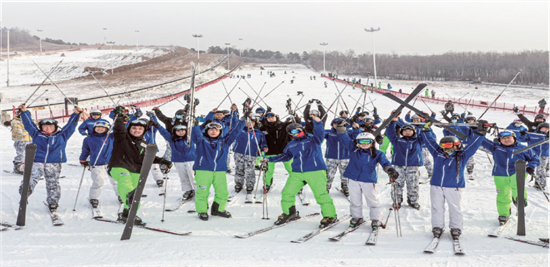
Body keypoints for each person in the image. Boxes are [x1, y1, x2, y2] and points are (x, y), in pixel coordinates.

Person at [263, 116, 338, 228]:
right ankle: (290, 213)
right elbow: (285, 156)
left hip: (315, 171)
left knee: (321, 194)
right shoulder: (291, 144)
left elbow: (319, 132)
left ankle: (330, 215)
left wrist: (317, 122)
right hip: (297, 172)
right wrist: (269, 159)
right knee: (287, 193)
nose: (295, 134)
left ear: (302, 129)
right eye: (292, 132)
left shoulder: (313, 140)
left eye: (297, 131)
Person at [420, 119, 487, 241]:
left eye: (449, 145)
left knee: (454, 207)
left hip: (454, 186)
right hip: (436, 185)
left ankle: (456, 227)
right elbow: (429, 142)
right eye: (443, 146)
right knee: (436, 207)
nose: (446, 148)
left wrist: (480, 133)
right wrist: (426, 130)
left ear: (456, 145)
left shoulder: (462, 155)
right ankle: (437, 227)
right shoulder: (437, 153)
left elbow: (473, 145)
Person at [108, 106, 173, 224]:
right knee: (125, 181)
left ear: (144, 131)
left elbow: (147, 158)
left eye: (139, 129)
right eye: (134, 128)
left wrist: (163, 161)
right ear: (129, 129)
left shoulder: (144, 144)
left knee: (136, 195)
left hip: (136, 170)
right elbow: (119, 129)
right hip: (119, 166)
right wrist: (119, 118)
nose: (136, 130)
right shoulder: (122, 137)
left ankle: (127, 214)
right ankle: (128, 197)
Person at [18, 104, 82, 212]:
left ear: (55, 127)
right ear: (41, 127)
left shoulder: (62, 135)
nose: (48, 128)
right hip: (38, 160)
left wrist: (76, 114)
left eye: (51, 126)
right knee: (34, 175)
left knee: (53, 182)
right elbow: (29, 124)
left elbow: (71, 126)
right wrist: (24, 112)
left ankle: (53, 202)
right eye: (45, 126)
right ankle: (26, 189)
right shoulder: (37, 134)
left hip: (54, 162)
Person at [336, 128, 399, 229]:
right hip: (353, 179)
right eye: (361, 142)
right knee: (355, 200)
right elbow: (345, 139)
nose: (364, 144)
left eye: (367, 142)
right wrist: (341, 129)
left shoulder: (377, 153)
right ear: (358, 143)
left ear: (372, 142)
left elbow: (385, 163)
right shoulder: (354, 150)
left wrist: (390, 170)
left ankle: (376, 219)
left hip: (368, 180)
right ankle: (357, 217)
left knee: (372, 201)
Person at [192, 117, 246, 221]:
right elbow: (195, 134)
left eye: (216, 130)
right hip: (203, 170)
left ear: (220, 132)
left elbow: (235, 132)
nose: (213, 131)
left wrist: (242, 121)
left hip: (220, 171)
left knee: (223, 192)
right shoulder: (201, 140)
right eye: (211, 129)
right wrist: (195, 126)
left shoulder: (224, 142)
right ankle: (202, 211)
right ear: (207, 131)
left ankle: (218, 209)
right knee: (203, 192)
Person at [481, 130, 539, 225]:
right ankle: (504, 214)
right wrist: (479, 131)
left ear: (514, 138)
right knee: (502, 195)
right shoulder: (496, 147)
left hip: (517, 171)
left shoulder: (523, 148)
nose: (506, 140)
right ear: (499, 140)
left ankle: (520, 201)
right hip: (500, 173)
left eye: (508, 138)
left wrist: (530, 166)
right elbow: (481, 140)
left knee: (516, 186)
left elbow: (535, 159)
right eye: (503, 138)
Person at [79, 121, 120, 207]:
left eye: (103, 128)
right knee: (98, 181)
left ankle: (121, 195)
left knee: (116, 180)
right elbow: (85, 151)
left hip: (111, 162)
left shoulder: (111, 136)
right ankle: (94, 198)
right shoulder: (88, 139)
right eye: (98, 127)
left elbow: (119, 130)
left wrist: (120, 120)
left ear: (107, 129)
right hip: (96, 163)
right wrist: (83, 159)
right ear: (94, 128)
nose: (100, 129)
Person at [386, 120, 425, 209]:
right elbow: (390, 132)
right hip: (398, 165)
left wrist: (422, 125)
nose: (407, 132)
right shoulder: (397, 140)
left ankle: (413, 201)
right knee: (397, 183)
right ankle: (397, 201)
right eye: (405, 131)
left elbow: (425, 134)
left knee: (413, 184)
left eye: (410, 131)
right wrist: (392, 122)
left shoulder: (418, 141)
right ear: (401, 132)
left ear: (414, 132)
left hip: (413, 166)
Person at [155, 122, 196, 201]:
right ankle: (188, 190)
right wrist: (157, 125)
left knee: (193, 177)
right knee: (183, 177)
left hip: (191, 160)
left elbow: (198, 131)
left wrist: (196, 125)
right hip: (178, 161)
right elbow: (164, 132)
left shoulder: (191, 138)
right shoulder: (172, 140)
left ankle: (198, 192)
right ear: (175, 132)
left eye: (183, 130)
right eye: (178, 131)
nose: (181, 132)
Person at [232, 114, 268, 200]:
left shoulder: (259, 133)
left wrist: (264, 147)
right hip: (239, 153)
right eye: (247, 122)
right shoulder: (240, 130)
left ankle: (250, 186)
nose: (249, 123)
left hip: (251, 154)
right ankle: (239, 184)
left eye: (251, 122)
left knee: (249, 170)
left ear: (255, 123)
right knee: (239, 169)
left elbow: (263, 142)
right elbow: (234, 124)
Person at [258, 112, 296, 192]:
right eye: (268, 117)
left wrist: (294, 115)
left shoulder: (284, 125)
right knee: (268, 170)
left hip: (284, 152)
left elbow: (296, 124)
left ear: (276, 117)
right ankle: (267, 184)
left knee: (291, 169)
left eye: (272, 117)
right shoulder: (263, 128)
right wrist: (263, 147)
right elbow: (260, 140)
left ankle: (296, 183)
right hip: (270, 152)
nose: (270, 118)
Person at [324, 118, 361, 196]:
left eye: (339, 124)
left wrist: (356, 128)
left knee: (345, 174)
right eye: (335, 123)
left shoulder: (348, 132)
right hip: (331, 157)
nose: (337, 125)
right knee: (329, 174)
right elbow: (320, 134)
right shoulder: (329, 133)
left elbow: (357, 136)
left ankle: (345, 187)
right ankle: (326, 187)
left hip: (345, 157)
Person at [518, 123, 550, 190]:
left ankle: (541, 184)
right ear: (540, 128)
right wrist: (522, 134)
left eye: (548, 129)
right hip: (533, 154)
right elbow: (521, 139)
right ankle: (519, 181)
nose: (546, 130)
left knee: (541, 169)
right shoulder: (532, 135)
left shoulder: (547, 136)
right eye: (545, 128)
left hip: (544, 155)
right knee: (527, 167)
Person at [9, 110, 35, 174]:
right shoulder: (15, 121)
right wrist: (8, 122)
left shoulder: (31, 121)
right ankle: (18, 167)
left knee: (31, 155)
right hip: (20, 140)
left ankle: (29, 167)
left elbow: (39, 123)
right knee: (22, 154)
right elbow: (8, 123)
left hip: (30, 140)